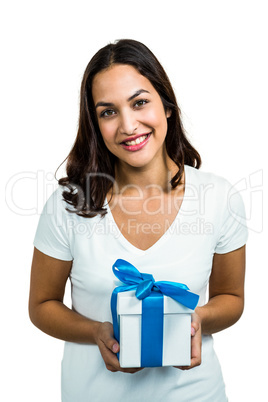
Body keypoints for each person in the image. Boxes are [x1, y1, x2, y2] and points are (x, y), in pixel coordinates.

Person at [29, 39, 248, 402]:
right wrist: (98, 331)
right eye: (108, 112)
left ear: (167, 106)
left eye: (140, 102)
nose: (129, 125)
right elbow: (41, 306)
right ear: (95, 124)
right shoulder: (68, 205)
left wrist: (196, 322)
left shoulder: (219, 198)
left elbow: (232, 296)